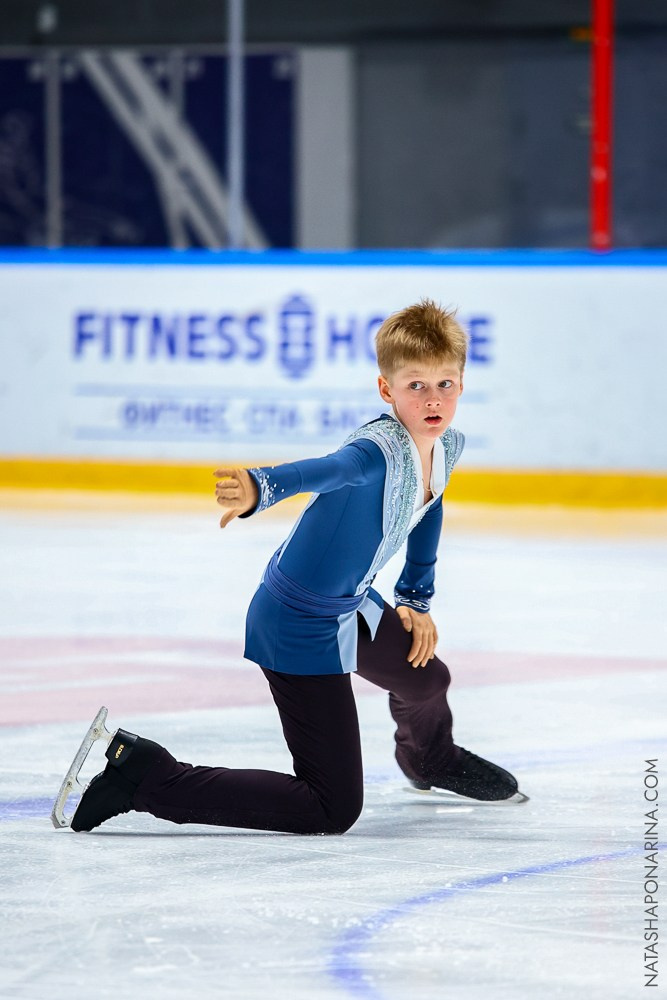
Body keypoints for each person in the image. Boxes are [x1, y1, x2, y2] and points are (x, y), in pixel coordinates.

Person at [65, 299, 525, 835]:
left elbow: (430, 504)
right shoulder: (375, 452)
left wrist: (414, 599)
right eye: (416, 385)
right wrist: (262, 486)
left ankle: (429, 758)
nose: (432, 399)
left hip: (350, 608)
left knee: (427, 680)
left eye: (445, 384)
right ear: (386, 390)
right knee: (331, 808)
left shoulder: (444, 446)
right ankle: (149, 777)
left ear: (463, 384)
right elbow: (327, 470)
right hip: (296, 623)